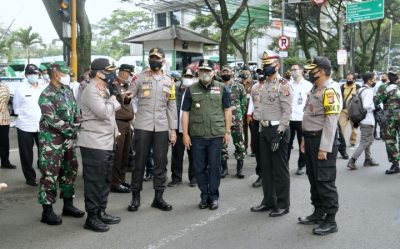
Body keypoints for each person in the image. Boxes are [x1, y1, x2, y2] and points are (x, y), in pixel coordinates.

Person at [127, 47, 178, 212]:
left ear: (163, 61)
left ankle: (159, 197)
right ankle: (135, 197)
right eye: (151, 57)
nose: (154, 60)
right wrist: (125, 99)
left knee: (161, 163)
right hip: (143, 125)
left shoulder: (169, 81)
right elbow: (129, 97)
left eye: (157, 58)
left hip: (162, 127)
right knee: (139, 162)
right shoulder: (139, 78)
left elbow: (171, 106)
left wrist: (173, 130)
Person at [37, 64, 85, 226]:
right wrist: (71, 131)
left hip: (68, 141)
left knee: (70, 171)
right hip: (52, 142)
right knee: (50, 174)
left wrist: (76, 127)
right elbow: (52, 119)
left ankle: (68, 206)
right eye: (65, 73)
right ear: (56, 75)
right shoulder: (46, 95)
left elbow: (75, 112)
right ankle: (47, 211)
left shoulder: (67, 90)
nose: (68, 76)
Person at [78, 58, 121, 232]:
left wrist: (111, 101)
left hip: (106, 141)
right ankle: (92, 217)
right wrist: (113, 99)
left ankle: (101, 211)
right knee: (94, 182)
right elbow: (104, 112)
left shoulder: (103, 89)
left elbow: (111, 113)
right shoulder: (91, 91)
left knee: (104, 180)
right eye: (109, 71)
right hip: (94, 143)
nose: (112, 75)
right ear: (99, 73)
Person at [299, 56, 341, 235]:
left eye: (312, 70)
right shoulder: (316, 88)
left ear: (322, 71)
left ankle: (330, 220)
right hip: (309, 139)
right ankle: (318, 212)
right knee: (313, 178)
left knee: (325, 181)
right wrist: (303, 138)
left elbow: (331, 121)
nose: (309, 73)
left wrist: (324, 147)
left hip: (322, 141)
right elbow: (309, 116)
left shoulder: (330, 90)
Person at [182, 59, 231, 210]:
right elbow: (185, 112)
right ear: (198, 72)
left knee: (215, 167)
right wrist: (185, 134)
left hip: (216, 134)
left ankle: (214, 197)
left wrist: (227, 131)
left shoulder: (222, 88)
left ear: (213, 72)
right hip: (197, 135)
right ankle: (204, 196)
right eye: (202, 71)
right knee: (199, 168)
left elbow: (227, 110)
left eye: (207, 71)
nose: (205, 74)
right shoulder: (191, 89)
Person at [250, 50, 292, 217]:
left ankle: (283, 204)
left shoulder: (283, 85)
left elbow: (287, 111)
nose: (266, 68)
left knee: (280, 169)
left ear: (277, 65)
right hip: (264, 129)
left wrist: (280, 133)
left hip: (277, 130)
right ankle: (268, 201)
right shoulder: (264, 85)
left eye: (268, 65)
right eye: (264, 65)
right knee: (266, 168)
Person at [13, 64, 46, 186]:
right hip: (25, 126)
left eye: (35, 73)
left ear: (39, 74)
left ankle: (46, 176)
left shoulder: (43, 87)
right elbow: (16, 109)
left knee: (44, 153)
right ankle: (30, 178)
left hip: (42, 125)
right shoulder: (20, 89)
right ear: (26, 75)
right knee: (26, 154)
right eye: (30, 74)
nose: (33, 76)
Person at [168, 68, 196, 187]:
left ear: (194, 78)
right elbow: (170, 106)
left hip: (193, 128)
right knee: (176, 154)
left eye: (190, 76)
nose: (187, 78)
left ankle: (194, 178)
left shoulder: (196, 90)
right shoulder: (175, 88)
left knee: (194, 154)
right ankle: (176, 178)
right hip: (177, 126)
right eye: (186, 76)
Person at [109, 64, 135, 193]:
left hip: (127, 123)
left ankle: (121, 179)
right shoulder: (113, 85)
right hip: (118, 122)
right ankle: (114, 182)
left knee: (125, 154)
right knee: (118, 155)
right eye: (129, 74)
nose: (130, 77)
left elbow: (127, 103)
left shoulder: (126, 87)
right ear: (123, 72)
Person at [347, 72, 379, 170]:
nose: (375, 80)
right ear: (369, 80)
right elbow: (366, 106)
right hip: (367, 119)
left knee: (369, 140)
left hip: (361, 118)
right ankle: (352, 160)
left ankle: (368, 159)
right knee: (365, 141)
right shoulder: (368, 91)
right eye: (374, 79)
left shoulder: (360, 89)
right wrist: (376, 106)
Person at [220, 65, 247, 179]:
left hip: (236, 119)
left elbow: (243, 103)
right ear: (221, 73)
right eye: (223, 71)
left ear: (232, 73)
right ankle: (224, 169)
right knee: (222, 144)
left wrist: (238, 114)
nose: (225, 73)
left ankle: (239, 169)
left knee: (239, 143)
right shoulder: (218, 87)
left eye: (227, 71)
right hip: (221, 119)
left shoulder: (239, 86)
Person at [374, 66, 400, 174]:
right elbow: (376, 101)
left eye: (394, 74)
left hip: (393, 116)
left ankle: (396, 164)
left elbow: (376, 101)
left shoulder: (387, 87)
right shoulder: (383, 87)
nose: (392, 76)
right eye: (390, 74)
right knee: (390, 141)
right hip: (389, 118)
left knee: (391, 141)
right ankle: (395, 164)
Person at [288, 63, 312, 175]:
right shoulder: (288, 84)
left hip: (302, 118)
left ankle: (301, 165)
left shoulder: (308, 85)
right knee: (287, 143)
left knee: (302, 143)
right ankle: (284, 164)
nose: (293, 71)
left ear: (302, 71)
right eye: (291, 69)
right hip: (289, 118)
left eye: (295, 69)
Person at [247, 68, 265, 188]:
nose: (261, 75)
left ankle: (271, 175)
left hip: (270, 122)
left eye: (263, 72)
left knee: (269, 151)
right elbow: (253, 102)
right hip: (257, 120)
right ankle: (261, 175)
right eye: (259, 73)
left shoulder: (274, 86)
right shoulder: (255, 87)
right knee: (258, 150)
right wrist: (249, 114)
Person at [339, 73, 360, 147]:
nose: (348, 80)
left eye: (350, 79)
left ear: (354, 80)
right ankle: (342, 143)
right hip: (344, 111)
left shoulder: (358, 87)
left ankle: (352, 141)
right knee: (341, 128)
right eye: (347, 79)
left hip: (355, 112)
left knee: (355, 129)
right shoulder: (342, 87)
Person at [0, 82, 16, 169]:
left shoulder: (5, 86)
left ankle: (5, 162)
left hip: (4, 119)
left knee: (4, 142)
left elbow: (8, 100)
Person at [239, 65, 254, 155]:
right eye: (244, 72)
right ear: (241, 73)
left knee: (253, 130)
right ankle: (244, 148)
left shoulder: (254, 84)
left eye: (247, 72)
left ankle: (254, 149)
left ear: (250, 73)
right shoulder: (238, 84)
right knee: (243, 130)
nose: (245, 74)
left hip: (251, 111)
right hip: (241, 110)